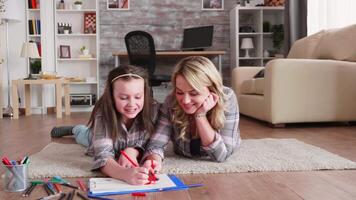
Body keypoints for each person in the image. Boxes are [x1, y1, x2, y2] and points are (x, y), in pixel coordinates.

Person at [51, 65, 159, 185]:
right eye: (123, 98)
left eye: (138, 97)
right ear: (112, 96)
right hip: (93, 136)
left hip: (128, 145)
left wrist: (134, 151)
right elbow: (103, 156)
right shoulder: (102, 114)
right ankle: (75, 129)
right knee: (84, 134)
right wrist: (125, 174)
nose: (132, 104)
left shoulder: (153, 110)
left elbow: (151, 142)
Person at [143, 56, 241, 172]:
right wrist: (154, 160)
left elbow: (221, 155)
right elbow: (157, 142)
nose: (185, 100)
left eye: (194, 93)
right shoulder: (171, 100)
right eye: (179, 92)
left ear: (212, 90)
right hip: (183, 152)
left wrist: (200, 116)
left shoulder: (227, 98)